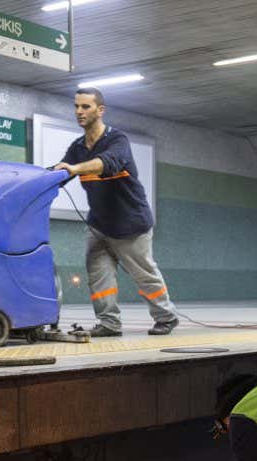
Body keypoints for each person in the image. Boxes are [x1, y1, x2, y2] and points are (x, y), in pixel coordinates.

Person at [52, 88, 178, 336]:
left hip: (131, 224)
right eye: (76, 106)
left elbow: (105, 163)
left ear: (100, 110)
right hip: (99, 225)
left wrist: (74, 169)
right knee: (99, 277)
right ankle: (109, 323)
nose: (79, 111)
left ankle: (166, 317)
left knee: (144, 275)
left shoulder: (117, 140)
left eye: (85, 106)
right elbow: (61, 173)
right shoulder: (78, 147)